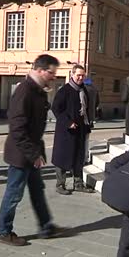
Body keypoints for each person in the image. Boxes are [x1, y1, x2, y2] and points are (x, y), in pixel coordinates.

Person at [0, 54, 66, 246]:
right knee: (13, 194)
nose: (53, 76)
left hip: (31, 152)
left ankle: (46, 226)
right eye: (51, 73)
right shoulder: (25, 91)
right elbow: (17, 128)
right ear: (40, 70)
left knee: (37, 191)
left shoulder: (37, 90)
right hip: (20, 154)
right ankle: (3, 232)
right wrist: (33, 154)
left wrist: (39, 153)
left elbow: (35, 126)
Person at [51, 64, 94, 195]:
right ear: (72, 75)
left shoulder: (83, 90)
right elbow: (56, 108)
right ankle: (60, 184)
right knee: (63, 157)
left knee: (78, 157)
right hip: (66, 131)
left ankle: (78, 183)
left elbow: (86, 109)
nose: (80, 78)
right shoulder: (64, 90)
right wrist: (68, 122)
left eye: (83, 75)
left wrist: (88, 125)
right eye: (78, 75)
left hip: (80, 129)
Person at [83, 77, 100, 164]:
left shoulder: (81, 89)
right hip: (90, 118)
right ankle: (85, 158)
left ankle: (80, 159)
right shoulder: (94, 89)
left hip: (82, 117)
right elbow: (97, 102)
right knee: (86, 138)